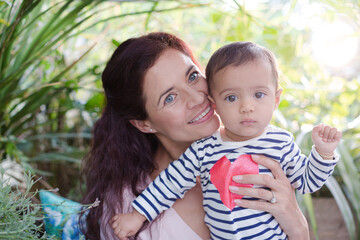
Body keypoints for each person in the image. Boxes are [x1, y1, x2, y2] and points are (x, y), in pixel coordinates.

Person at [81, 32, 311, 240]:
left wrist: (297, 227)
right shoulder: (126, 207)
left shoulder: (258, 151)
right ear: (144, 124)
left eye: (192, 76)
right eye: (170, 98)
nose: (198, 98)